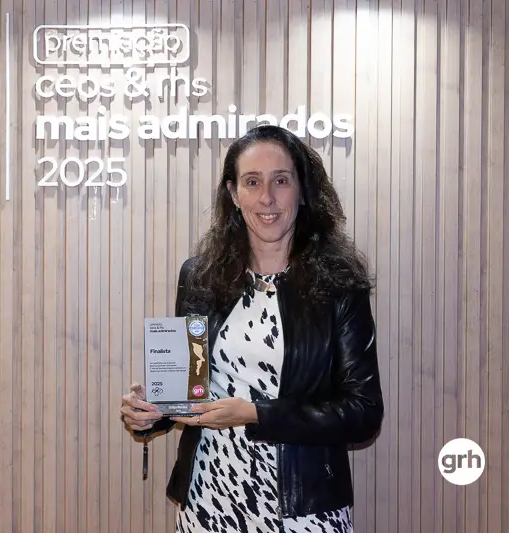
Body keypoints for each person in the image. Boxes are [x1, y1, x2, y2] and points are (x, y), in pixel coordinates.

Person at [120, 125, 384, 533]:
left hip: (304, 508)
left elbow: (363, 412)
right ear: (233, 193)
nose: (267, 198)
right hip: (208, 499)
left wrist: (257, 413)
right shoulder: (200, 276)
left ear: (302, 189)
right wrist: (151, 413)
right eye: (252, 182)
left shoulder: (339, 285)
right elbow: (185, 390)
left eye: (281, 181)